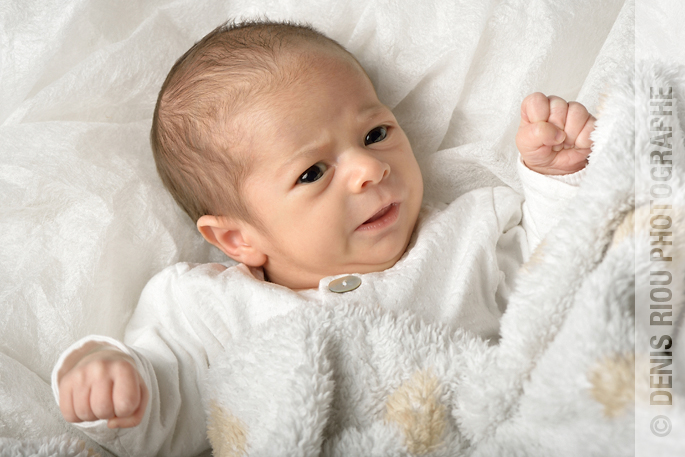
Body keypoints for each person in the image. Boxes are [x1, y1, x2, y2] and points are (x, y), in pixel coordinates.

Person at [51, 19, 595, 456]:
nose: (368, 169)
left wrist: (558, 180)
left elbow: (558, 277)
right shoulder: (213, 312)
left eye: (375, 134)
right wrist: (112, 380)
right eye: (312, 172)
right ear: (237, 239)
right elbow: (169, 421)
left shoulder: (466, 240)